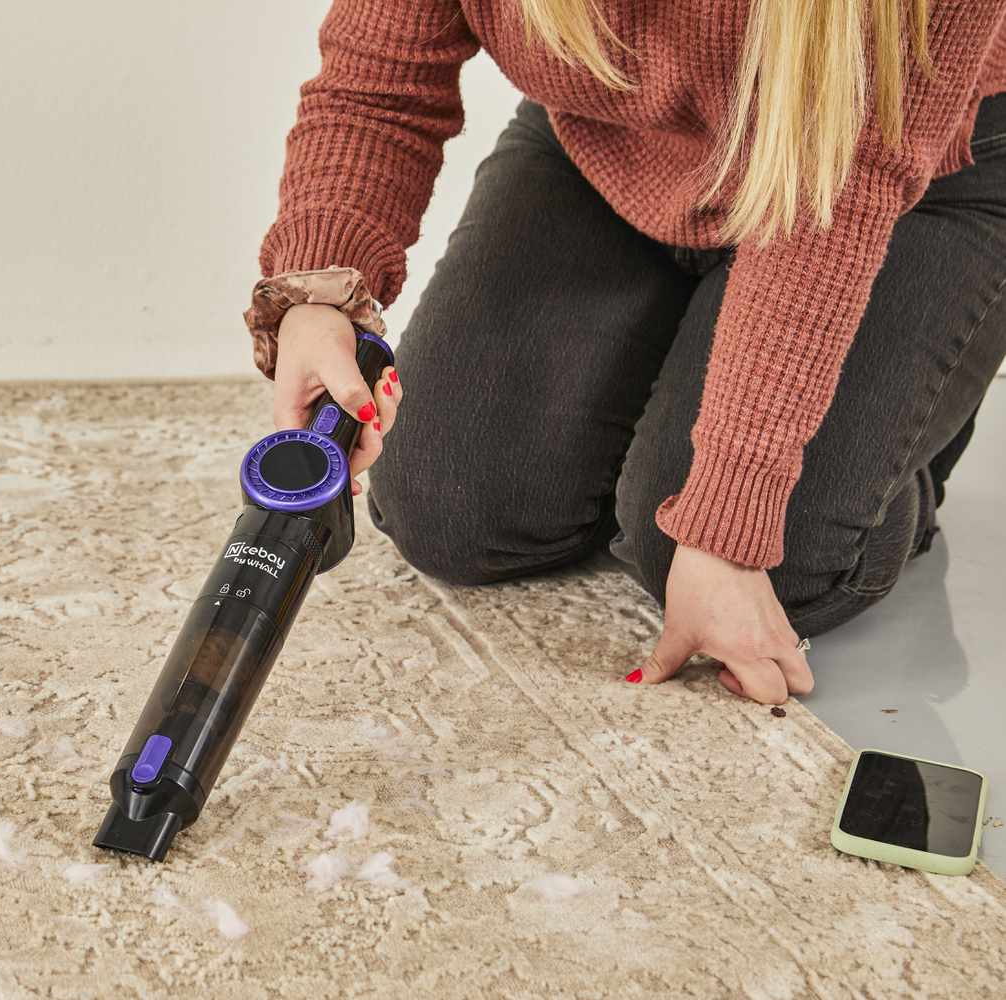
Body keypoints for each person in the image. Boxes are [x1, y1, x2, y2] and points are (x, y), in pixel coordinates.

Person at [243, 0, 1006, 705]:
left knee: (778, 556)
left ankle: (907, 437)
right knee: (451, 507)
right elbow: (382, 81)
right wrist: (318, 295)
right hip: (620, 137)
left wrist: (730, 507)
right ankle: (682, 370)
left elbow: (832, 199)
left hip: (915, 169)